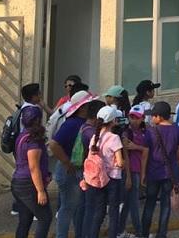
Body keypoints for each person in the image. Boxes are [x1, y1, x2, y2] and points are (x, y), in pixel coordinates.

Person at [48, 91, 95, 238]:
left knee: (77, 207)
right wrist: (67, 163)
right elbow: (53, 144)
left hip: (72, 169)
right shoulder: (73, 124)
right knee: (68, 207)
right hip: (69, 170)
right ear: (82, 108)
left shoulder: (77, 123)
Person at [141, 102, 179, 238]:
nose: (152, 118)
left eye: (153, 116)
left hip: (153, 173)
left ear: (159, 117)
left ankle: (144, 233)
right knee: (166, 204)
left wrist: (143, 174)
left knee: (149, 204)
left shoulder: (150, 131)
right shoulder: (177, 130)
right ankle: (162, 234)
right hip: (170, 173)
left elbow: (145, 155)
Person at [81, 106, 125, 238]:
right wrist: (122, 163)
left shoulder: (94, 137)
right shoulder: (114, 138)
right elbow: (120, 162)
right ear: (113, 121)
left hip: (99, 178)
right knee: (113, 212)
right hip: (113, 178)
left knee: (99, 211)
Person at [11, 105, 52, 238]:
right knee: (45, 218)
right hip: (29, 184)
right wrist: (40, 191)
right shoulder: (32, 140)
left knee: (25, 219)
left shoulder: (22, 136)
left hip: (18, 181)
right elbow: (33, 167)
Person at [119, 108, 148, 238]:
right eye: (132, 117)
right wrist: (128, 177)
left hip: (139, 170)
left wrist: (137, 147)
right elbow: (125, 154)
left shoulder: (144, 132)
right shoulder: (127, 133)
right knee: (134, 204)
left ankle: (120, 230)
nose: (134, 120)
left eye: (137, 117)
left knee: (128, 203)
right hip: (131, 171)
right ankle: (139, 232)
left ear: (142, 118)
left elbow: (147, 149)